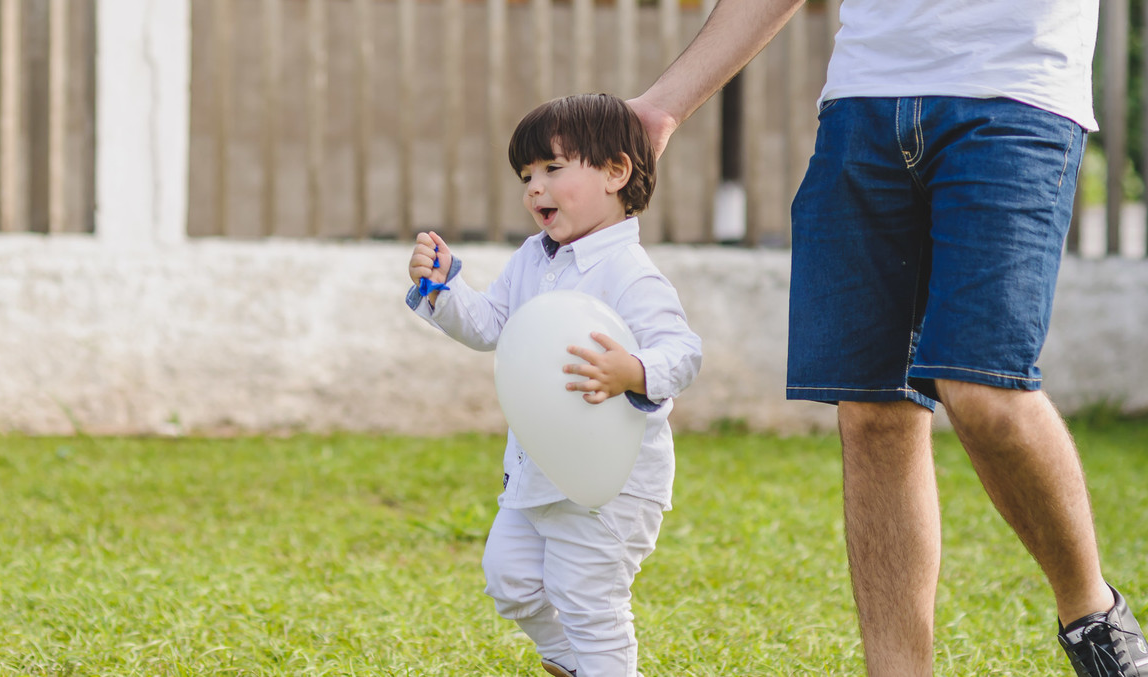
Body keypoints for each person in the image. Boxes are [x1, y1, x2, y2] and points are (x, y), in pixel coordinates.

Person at [626, 1, 1147, 675]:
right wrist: (665, 105)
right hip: (864, 98)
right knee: (873, 410)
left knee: (984, 388)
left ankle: (1095, 618)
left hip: (1015, 95)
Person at [405, 93, 702, 677]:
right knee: (510, 578)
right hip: (540, 467)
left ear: (616, 172)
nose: (534, 188)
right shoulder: (532, 260)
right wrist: (443, 293)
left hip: (612, 481)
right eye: (526, 175)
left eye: (552, 168)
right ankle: (573, 661)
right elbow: (494, 327)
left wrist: (634, 371)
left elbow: (682, 352)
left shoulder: (628, 273)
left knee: (588, 599)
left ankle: (598, 663)